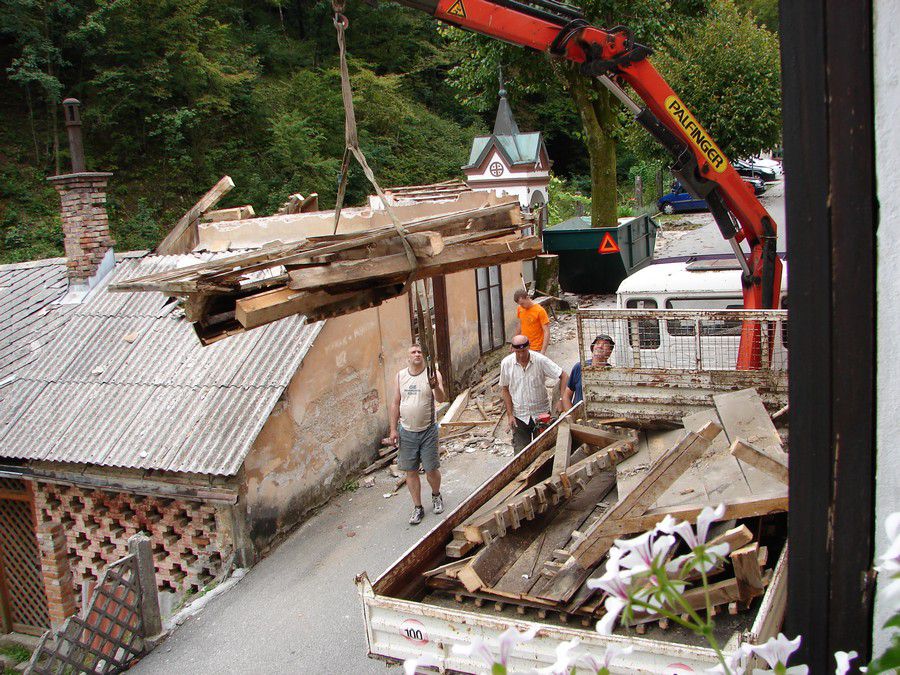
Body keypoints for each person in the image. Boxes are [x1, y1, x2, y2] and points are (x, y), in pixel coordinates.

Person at [389, 344, 447, 525]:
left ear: (423, 356)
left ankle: (436, 495)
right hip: (406, 432)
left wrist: (435, 387)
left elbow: (441, 398)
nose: (417, 354)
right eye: (413, 352)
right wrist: (392, 429)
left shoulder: (432, 374)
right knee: (411, 472)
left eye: (419, 352)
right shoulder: (400, 376)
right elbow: (395, 403)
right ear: (408, 357)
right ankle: (418, 507)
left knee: (431, 469)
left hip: (428, 430)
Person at [500, 334, 569, 454]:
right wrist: (510, 415)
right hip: (519, 416)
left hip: (541, 415)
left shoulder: (540, 360)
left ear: (529, 347)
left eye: (524, 351)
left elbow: (563, 376)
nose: (521, 355)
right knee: (521, 455)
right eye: (518, 352)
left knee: (544, 454)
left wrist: (561, 399)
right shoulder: (506, 364)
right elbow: (505, 389)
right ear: (512, 349)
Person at [563, 334, 615, 410]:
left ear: (609, 353)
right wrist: (572, 417)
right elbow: (566, 396)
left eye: (605, 345)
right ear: (592, 348)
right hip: (579, 417)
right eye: (597, 343)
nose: (600, 346)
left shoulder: (612, 373)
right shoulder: (579, 367)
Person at [514, 289, 550, 354]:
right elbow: (519, 324)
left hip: (537, 347)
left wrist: (543, 350)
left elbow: (546, 331)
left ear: (527, 298)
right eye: (520, 304)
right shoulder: (520, 308)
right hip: (524, 346)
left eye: (522, 303)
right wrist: (514, 342)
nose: (522, 306)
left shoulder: (540, 311)